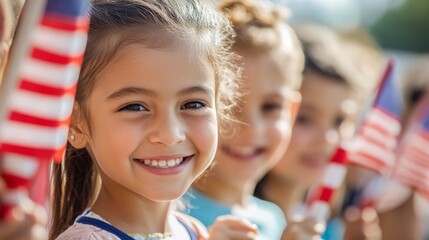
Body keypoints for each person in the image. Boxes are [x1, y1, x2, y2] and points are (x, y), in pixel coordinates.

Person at [49, 0, 240, 239]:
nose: (170, 134)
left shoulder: (193, 231)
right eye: (135, 107)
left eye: (193, 104)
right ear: (77, 122)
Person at [183, 0, 304, 239]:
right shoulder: (167, 214)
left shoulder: (274, 220)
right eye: (230, 104)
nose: (252, 128)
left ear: (291, 112)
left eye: (271, 107)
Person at [254, 24, 383, 240]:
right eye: (304, 118)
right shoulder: (238, 225)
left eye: (340, 120)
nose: (327, 139)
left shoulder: (329, 225)